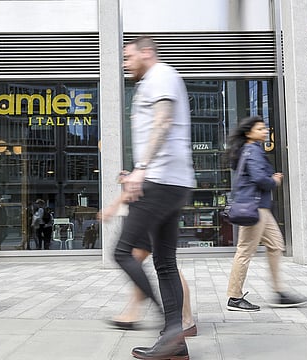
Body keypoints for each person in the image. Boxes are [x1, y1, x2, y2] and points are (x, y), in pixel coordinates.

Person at [114, 36, 195, 359]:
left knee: (122, 252)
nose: (125, 63)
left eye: (129, 56)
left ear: (146, 53)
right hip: (173, 181)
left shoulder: (159, 75)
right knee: (164, 261)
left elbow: (163, 122)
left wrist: (141, 170)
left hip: (160, 181)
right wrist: (136, 170)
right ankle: (175, 344)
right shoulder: (159, 78)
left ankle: (170, 329)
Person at [226, 116, 307, 312]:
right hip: (255, 208)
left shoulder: (249, 150)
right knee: (245, 251)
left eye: (265, 128)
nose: (265, 131)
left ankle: (278, 292)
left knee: (276, 245)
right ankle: (234, 297)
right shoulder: (252, 150)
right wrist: (274, 180)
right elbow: (259, 178)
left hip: (260, 207)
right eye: (260, 129)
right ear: (249, 133)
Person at [99, 188, 197, 336]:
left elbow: (147, 173)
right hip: (151, 201)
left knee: (164, 264)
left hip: (151, 203)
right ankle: (133, 313)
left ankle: (185, 319)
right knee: (139, 260)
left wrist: (114, 205)